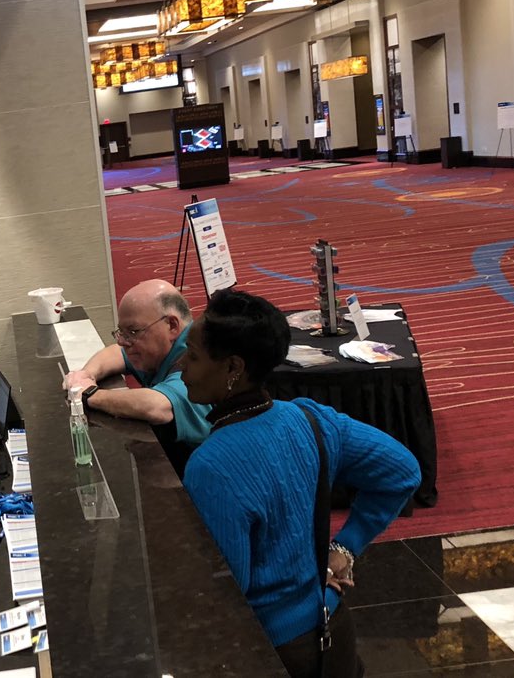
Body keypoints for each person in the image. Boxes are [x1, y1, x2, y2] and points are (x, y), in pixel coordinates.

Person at [180, 289, 421, 678]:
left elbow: (229, 600)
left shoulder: (211, 466)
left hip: (272, 650)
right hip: (333, 631)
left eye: (192, 356)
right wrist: (345, 547)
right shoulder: (309, 419)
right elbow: (403, 470)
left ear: (233, 368)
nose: (181, 367)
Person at [63, 278, 211, 476]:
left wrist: (89, 394)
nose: (124, 341)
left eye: (133, 331)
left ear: (172, 326)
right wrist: (85, 375)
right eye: (121, 332)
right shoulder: (158, 349)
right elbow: (117, 353)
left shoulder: (198, 356)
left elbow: (158, 406)